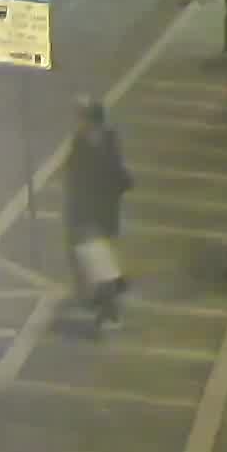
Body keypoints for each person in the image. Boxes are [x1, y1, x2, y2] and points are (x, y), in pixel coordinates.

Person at [64, 98, 133, 331]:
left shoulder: (100, 143)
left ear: (92, 121)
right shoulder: (84, 142)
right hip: (89, 213)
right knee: (97, 260)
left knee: (99, 263)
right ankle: (108, 295)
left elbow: (113, 174)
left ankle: (110, 310)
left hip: (97, 213)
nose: (79, 122)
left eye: (82, 118)